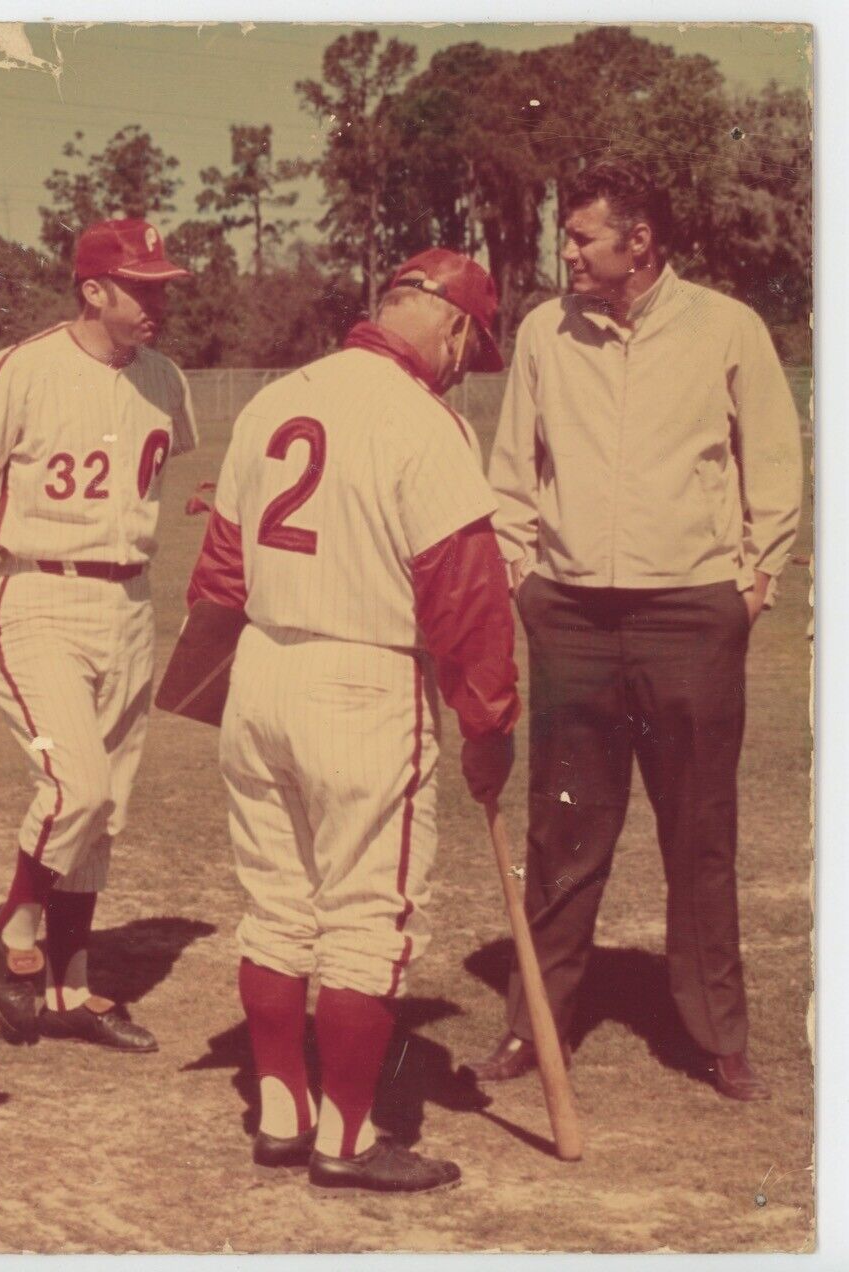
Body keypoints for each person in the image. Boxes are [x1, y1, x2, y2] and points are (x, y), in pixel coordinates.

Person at [184, 249, 519, 1191]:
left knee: (278, 907)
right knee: (365, 917)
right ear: (452, 324)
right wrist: (489, 725)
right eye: (472, 347)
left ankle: (281, 1113)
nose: (464, 366)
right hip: (366, 680)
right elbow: (466, 594)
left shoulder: (273, 398)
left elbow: (217, 574)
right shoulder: (423, 420)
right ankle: (347, 1139)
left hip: (260, 669)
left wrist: (235, 703)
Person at [472, 159, 804, 1102]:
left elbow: (772, 465)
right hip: (569, 616)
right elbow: (512, 470)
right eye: (565, 236)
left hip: (690, 615)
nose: (564, 252)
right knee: (562, 833)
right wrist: (526, 578)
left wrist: (748, 586)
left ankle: (716, 1036)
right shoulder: (545, 330)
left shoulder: (726, 327)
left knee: (698, 834)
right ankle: (538, 1026)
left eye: (581, 237)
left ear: (639, 243)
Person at [0, 219, 196, 1054]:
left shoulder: (163, 379)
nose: (157, 300)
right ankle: (16, 927)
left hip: (127, 603)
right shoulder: (26, 366)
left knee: (106, 812)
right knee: (76, 787)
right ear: (93, 289)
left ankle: (72, 988)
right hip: (39, 593)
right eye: (141, 286)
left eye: (163, 285)